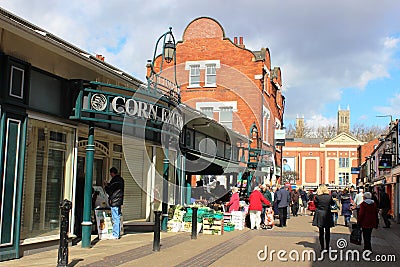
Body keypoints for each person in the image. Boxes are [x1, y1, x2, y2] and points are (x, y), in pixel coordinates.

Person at [312, 184, 335, 251]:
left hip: (319, 214)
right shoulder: (329, 197)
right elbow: (332, 204)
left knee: (321, 232)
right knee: (327, 232)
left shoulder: (317, 197)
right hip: (327, 214)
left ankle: (322, 247)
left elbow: (316, 204)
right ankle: (327, 247)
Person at [104, 167, 124, 239]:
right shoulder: (121, 180)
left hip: (114, 201)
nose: (110, 175)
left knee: (115, 218)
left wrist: (106, 186)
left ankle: (115, 234)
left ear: (112, 173)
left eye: (110, 173)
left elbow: (110, 191)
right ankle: (117, 233)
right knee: (118, 217)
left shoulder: (114, 180)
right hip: (119, 200)